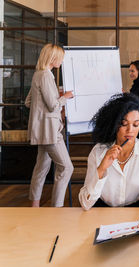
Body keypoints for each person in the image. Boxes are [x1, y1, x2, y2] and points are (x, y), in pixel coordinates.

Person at [79, 94, 139, 234]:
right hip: (101, 215)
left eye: (136, 124)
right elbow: (85, 203)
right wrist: (102, 168)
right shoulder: (98, 152)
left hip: (137, 215)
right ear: (114, 124)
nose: (130, 130)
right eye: (124, 124)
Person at [25, 43, 74, 207]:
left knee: (41, 169)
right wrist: (65, 97)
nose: (62, 61)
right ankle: (57, 207)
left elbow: (28, 102)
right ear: (53, 58)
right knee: (67, 168)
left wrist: (53, 98)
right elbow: (53, 106)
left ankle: (35, 206)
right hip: (50, 132)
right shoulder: (46, 76)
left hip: (41, 131)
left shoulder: (38, 75)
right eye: (60, 58)